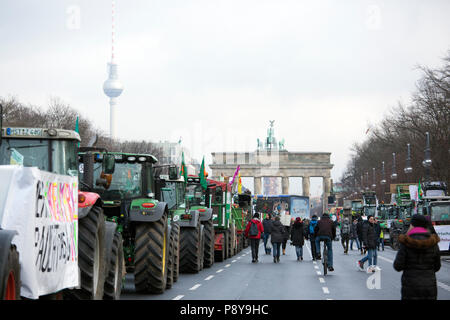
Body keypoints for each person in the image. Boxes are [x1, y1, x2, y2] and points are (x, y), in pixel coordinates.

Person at [393, 214, 441, 300]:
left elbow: (397, 266)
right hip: (429, 286)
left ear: (412, 225)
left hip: (410, 287)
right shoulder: (433, 243)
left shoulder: (406, 242)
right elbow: (437, 267)